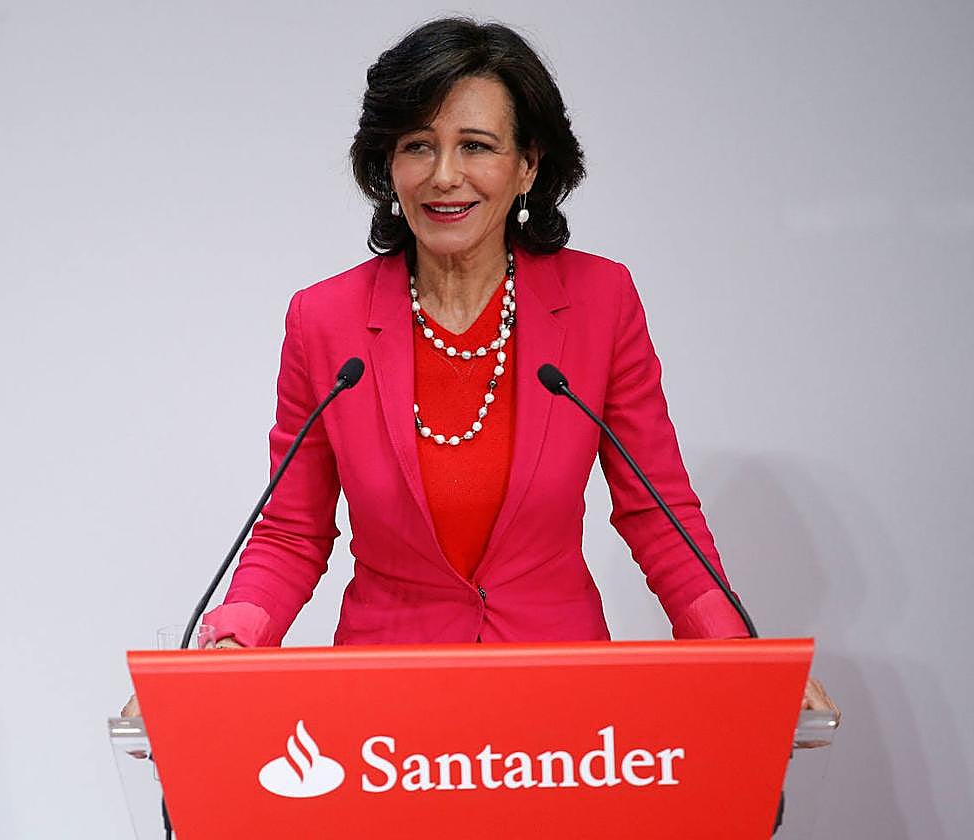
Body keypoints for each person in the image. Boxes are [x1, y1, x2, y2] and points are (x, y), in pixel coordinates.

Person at [123, 17, 838, 721]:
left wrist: (737, 650)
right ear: (388, 166)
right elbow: (290, 531)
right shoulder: (324, 321)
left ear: (528, 163)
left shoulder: (600, 301)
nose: (444, 176)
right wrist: (230, 638)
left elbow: (659, 513)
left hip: (559, 703)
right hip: (386, 707)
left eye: (476, 146)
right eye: (417, 146)